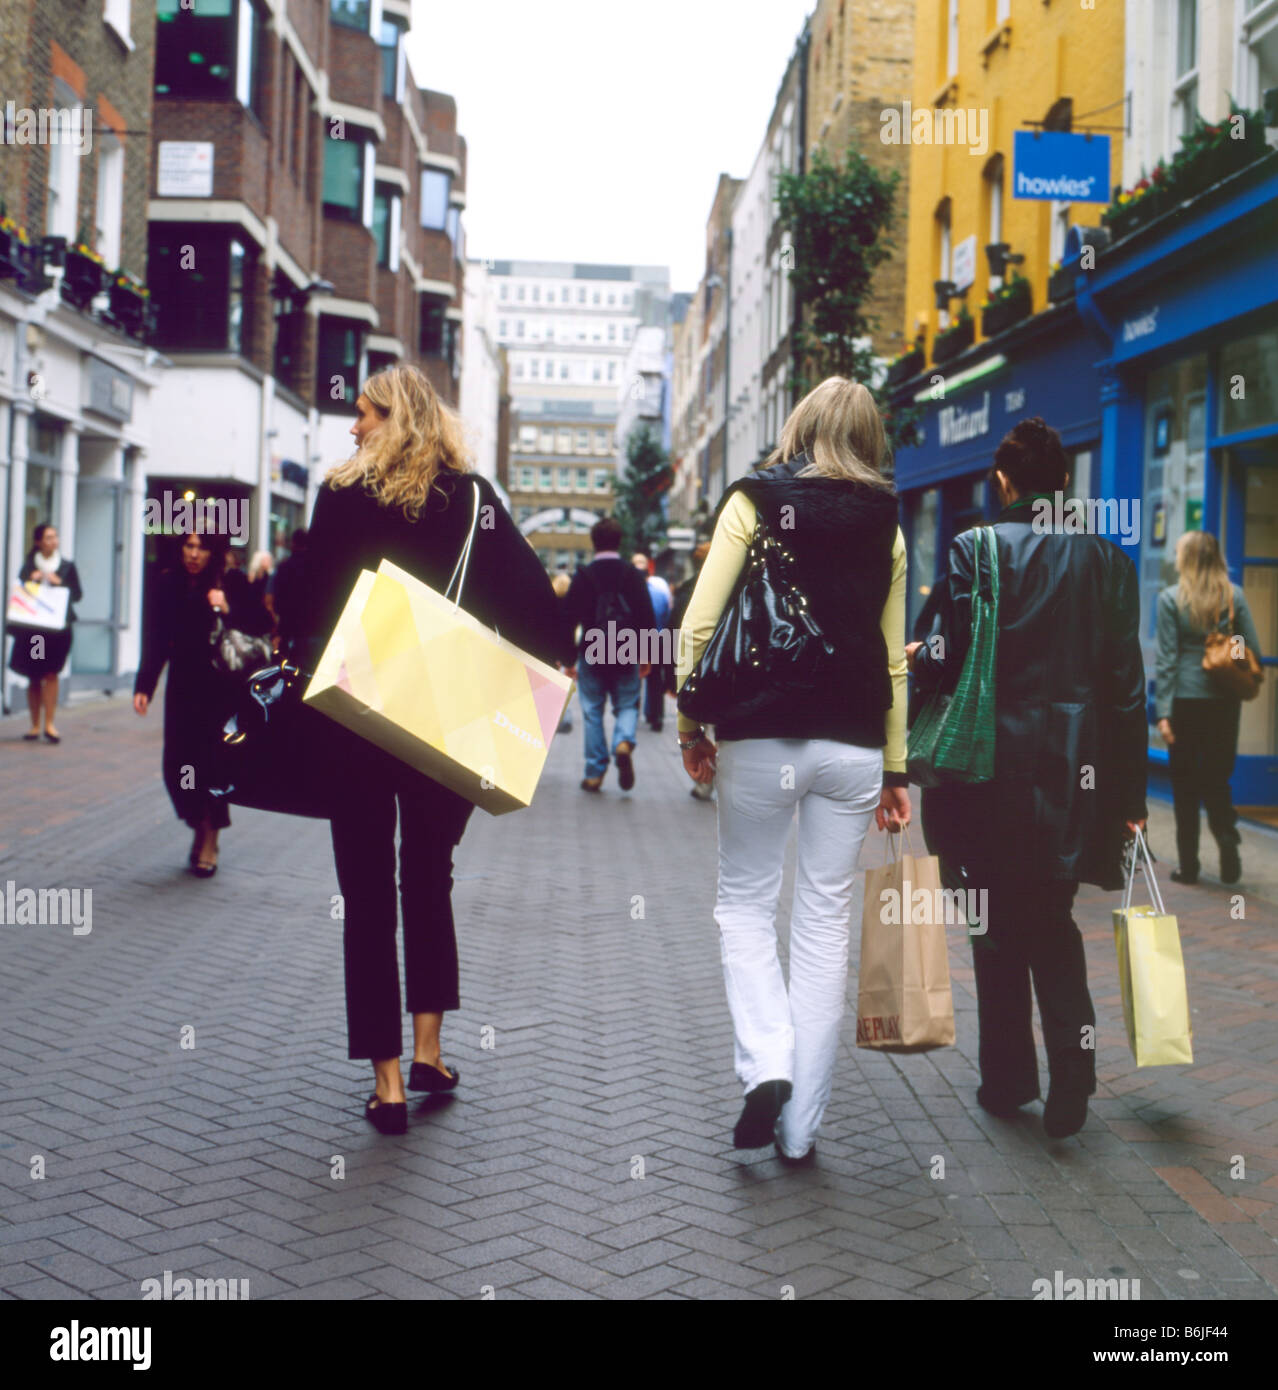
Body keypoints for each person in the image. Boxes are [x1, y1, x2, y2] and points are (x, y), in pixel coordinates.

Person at [290, 364, 567, 1136]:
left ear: (395, 417)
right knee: (428, 879)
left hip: (357, 718)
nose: (354, 426)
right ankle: (429, 1051)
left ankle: (385, 1086)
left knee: (366, 892)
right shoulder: (474, 501)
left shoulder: (339, 498)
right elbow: (540, 612)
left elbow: (308, 604)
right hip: (448, 713)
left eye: (366, 412)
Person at [674, 378, 911, 1165]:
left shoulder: (754, 501)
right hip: (852, 750)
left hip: (761, 736)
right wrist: (898, 771)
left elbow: (701, 626)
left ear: (801, 425)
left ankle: (765, 1063)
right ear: (871, 437)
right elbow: (893, 663)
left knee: (744, 907)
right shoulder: (890, 525)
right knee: (821, 926)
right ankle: (802, 1129)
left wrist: (688, 723)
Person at [907, 416, 1148, 1140]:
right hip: (1073, 780)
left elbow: (941, 658)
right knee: (1052, 921)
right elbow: (1127, 690)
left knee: (991, 924)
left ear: (1004, 481)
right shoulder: (1108, 560)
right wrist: (1130, 799)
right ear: (1065, 482)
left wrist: (917, 656)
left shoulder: (973, 551)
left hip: (982, 774)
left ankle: (1009, 1080)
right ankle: (1074, 1076)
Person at [133, 529, 272, 876]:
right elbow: (157, 636)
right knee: (179, 766)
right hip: (181, 688)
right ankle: (199, 823)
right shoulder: (168, 583)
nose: (193, 554)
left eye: (201, 548)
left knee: (211, 764)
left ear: (213, 552)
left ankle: (210, 840)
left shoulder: (231, 581)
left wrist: (227, 607)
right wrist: (145, 685)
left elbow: (263, 623)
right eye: (188, 546)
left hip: (219, 688)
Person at [1155, 530, 1261, 886]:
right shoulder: (1234, 596)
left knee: (1184, 785)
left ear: (1188, 559)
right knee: (1217, 778)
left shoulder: (1171, 599)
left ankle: (1189, 867)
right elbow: (1248, 646)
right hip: (1223, 702)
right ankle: (1227, 840)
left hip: (1184, 701)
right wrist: (1227, 661)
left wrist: (1164, 712)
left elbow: (1168, 660)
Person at [561, 518, 657, 793]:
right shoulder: (632, 575)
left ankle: (594, 772)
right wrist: (648, 654)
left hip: (592, 649)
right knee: (627, 704)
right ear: (619, 542)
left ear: (593, 542)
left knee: (592, 711)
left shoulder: (583, 575)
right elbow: (646, 616)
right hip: (626, 649)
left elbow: (568, 618)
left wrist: (568, 659)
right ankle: (623, 742)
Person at [9, 523, 82, 744]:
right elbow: (20, 596)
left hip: (58, 631)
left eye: (55, 537)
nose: (53, 541)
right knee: (34, 675)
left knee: (51, 674)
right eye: (48, 537)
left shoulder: (67, 567)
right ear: (38, 542)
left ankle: (49, 724)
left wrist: (61, 583)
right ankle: (34, 725)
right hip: (35, 633)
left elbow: (78, 595)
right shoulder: (29, 565)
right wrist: (31, 580)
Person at [668, 542, 716, 802]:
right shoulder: (742, 587)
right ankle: (721, 777)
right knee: (724, 729)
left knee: (702, 727)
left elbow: (676, 633)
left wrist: (671, 675)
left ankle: (705, 781)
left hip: (696, 671)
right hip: (728, 669)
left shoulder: (687, 591)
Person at [632, 552, 673, 732]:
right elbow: (666, 616)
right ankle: (656, 716)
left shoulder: (629, 594)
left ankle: (632, 713)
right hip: (657, 639)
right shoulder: (660, 593)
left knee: (635, 679)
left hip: (633, 640)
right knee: (655, 680)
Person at [268, 528, 308, 654]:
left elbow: (277, 596)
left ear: (293, 543)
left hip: (287, 620)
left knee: (285, 657)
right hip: (307, 623)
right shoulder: (314, 567)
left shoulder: (284, 566)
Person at [550, 571, 574, 733]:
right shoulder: (569, 605)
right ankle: (559, 712)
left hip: (549, 647)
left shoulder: (548, 601)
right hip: (562, 649)